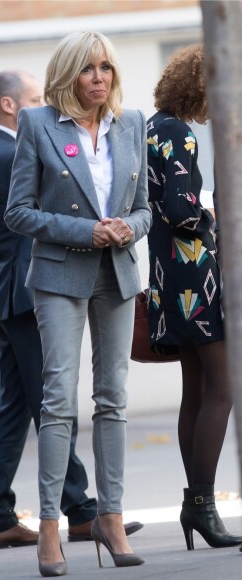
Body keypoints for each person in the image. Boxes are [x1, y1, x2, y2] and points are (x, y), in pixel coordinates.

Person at [0, 69, 143, 549]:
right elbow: (28, 214)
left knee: (16, 407)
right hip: (32, 292)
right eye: (32, 98)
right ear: (11, 106)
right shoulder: (9, 149)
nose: (42, 105)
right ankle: (78, 509)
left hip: (18, 294)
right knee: (53, 402)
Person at [146, 44, 242, 551]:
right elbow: (181, 208)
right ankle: (202, 506)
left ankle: (196, 506)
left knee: (197, 391)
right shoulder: (177, 133)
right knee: (223, 390)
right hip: (196, 276)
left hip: (170, 275)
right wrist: (218, 225)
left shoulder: (153, 126)